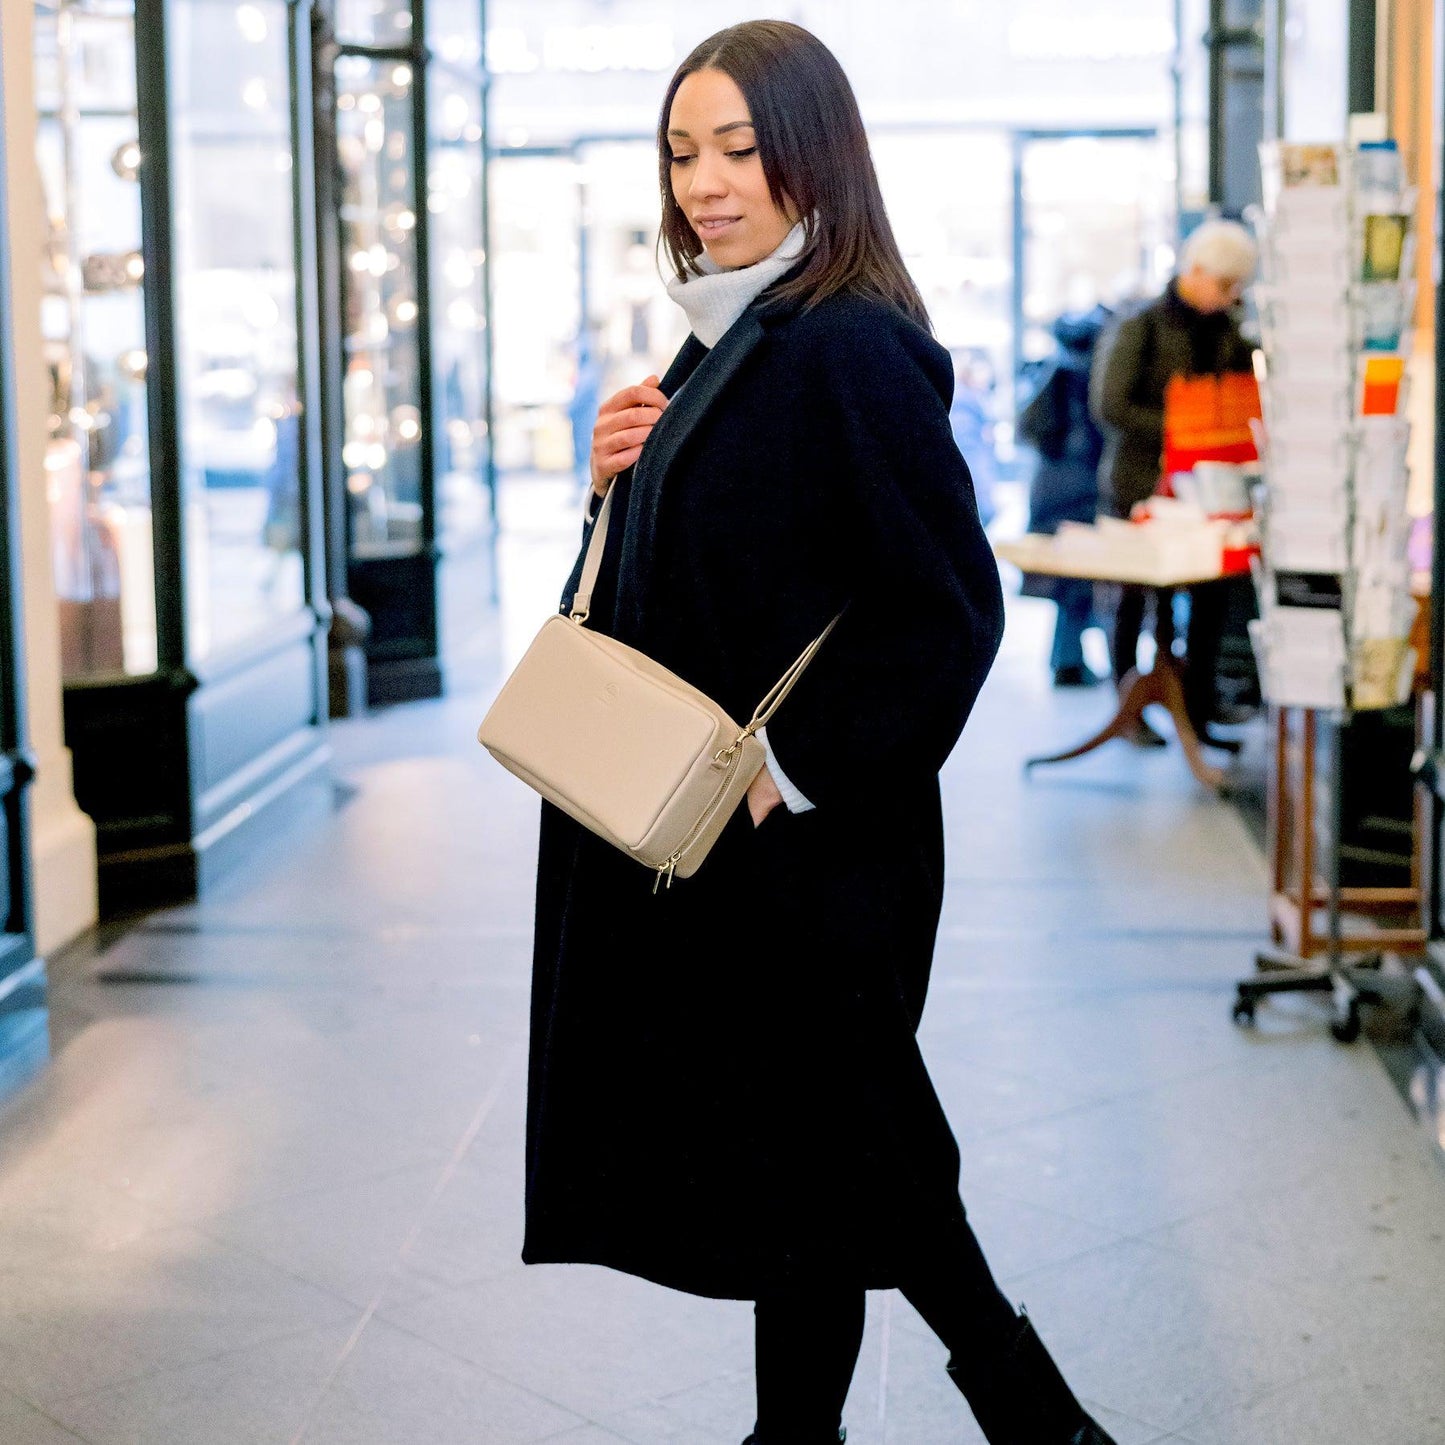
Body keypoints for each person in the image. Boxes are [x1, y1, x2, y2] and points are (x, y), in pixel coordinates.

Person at [525, 21, 1117, 1445]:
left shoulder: (846, 342)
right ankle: (808, 1436)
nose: (706, 183)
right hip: (737, 850)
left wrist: (790, 774)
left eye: (737, 147)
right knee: (818, 1154)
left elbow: (947, 609)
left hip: (814, 844)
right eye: (682, 153)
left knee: (867, 1142)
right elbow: (700, 585)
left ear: (813, 152)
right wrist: (615, 483)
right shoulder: (729, 337)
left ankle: (1030, 1417)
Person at [1089, 220, 1257, 747]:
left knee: (1209, 595)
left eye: (1237, 290)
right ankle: (1128, 707)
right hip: (1139, 482)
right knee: (1132, 597)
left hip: (1204, 491)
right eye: (1223, 286)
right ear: (1197, 271)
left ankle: (1199, 706)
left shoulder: (1228, 330)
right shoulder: (1139, 325)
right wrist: (1180, 431)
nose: (1229, 297)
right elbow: (1109, 405)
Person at [1017, 306, 1112, 686]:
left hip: (1051, 482)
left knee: (1070, 578)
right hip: (1082, 485)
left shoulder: (1053, 370)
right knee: (1081, 578)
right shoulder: (1091, 375)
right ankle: (1070, 662)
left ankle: (1067, 659)